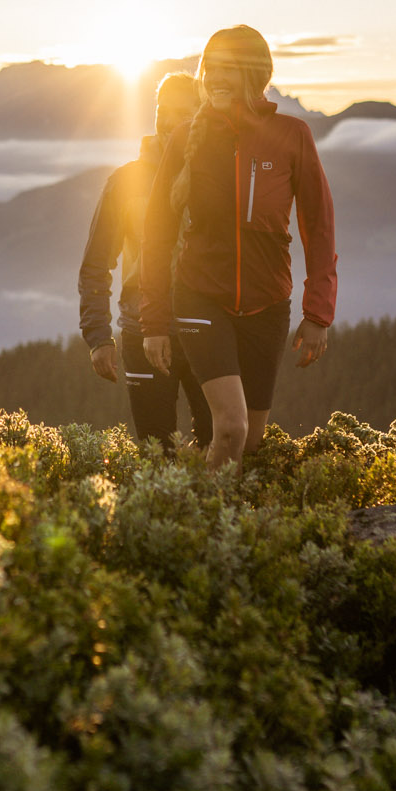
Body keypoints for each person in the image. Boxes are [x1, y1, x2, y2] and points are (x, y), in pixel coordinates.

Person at [141, 26, 335, 469]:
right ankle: (202, 511)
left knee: (249, 441)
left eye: (227, 68)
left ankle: (204, 497)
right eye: (210, 68)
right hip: (200, 297)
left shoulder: (292, 135)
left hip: (268, 305)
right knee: (231, 427)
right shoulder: (185, 138)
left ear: (256, 73)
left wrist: (318, 312)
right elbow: (157, 232)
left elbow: (319, 226)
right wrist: (154, 320)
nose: (215, 78)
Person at [79, 72, 214, 451]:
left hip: (210, 330)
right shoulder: (124, 182)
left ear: (202, 117)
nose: (169, 121)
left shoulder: (217, 178)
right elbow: (95, 264)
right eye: (162, 111)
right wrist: (98, 337)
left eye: (183, 113)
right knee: (156, 453)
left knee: (220, 445)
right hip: (142, 331)